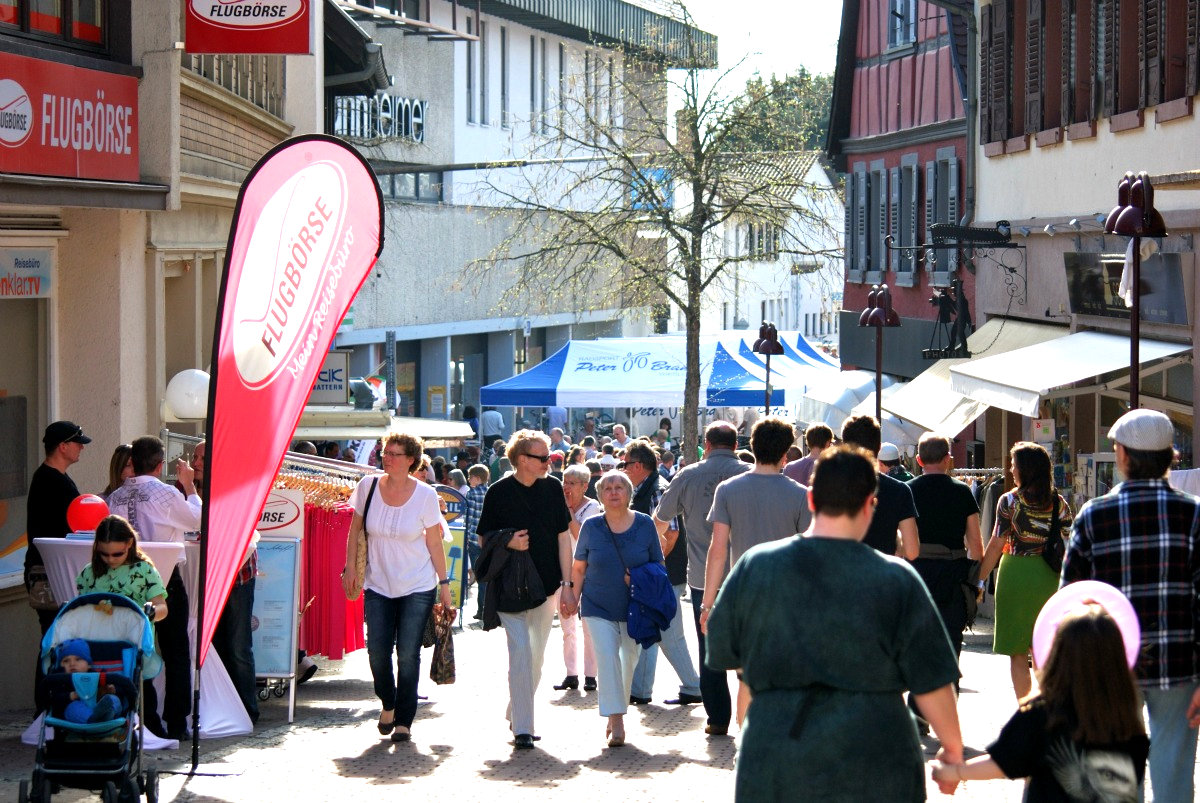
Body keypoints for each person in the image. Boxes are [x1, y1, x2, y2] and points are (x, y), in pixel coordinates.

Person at [705, 445, 964, 800]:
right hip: (876, 757)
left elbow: (724, 650)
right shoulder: (896, 579)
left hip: (777, 754)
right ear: (870, 505)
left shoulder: (756, 566)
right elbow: (932, 680)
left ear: (810, 499)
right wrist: (952, 749)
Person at [1064, 408, 1200, 802]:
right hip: (1180, 663)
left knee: (1116, 780)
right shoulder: (1193, 513)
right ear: (1169, 457)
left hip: (1110, 665)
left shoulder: (1093, 515)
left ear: (1122, 455)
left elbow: (1071, 598)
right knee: (1175, 775)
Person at [932, 604, 1148, 800]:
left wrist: (954, 772)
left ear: (1058, 656)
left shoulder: (1043, 714)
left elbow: (1003, 763)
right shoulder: (1127, 719)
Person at [340, 432, 455, 743]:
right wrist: (351, 567)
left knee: (407, 653)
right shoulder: (368, 486)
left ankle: (404, 719)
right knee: (377, 651)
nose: (385, 457)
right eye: (385, 451)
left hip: (417, 585)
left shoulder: (425, 495)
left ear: (410, 460)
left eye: (393, 453)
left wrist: (445, 588)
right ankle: (387, 702)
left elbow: (434, 542)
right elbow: (355, 530)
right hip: (377, 582)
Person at [700, 417, 811, 724]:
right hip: (788, 598)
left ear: (752, 446)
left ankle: (747, 744)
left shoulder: (728, 490)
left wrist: (708, 604)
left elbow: (718, 549)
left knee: (747, 677)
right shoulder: (800, 494)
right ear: (786, 453)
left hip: (743, 596)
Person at [475, 429, 575, 750]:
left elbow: (563, 538)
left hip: (546, 587)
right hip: (509, 586)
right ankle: (524, 729)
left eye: (549, 456)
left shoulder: (553, 488)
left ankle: (516, 710)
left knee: (537, 658)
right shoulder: (498, 492)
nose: (549, 462)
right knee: (520, 653)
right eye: (543, 457)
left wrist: (568, 585)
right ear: (522, 460)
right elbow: (483, 540)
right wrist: (509, 541)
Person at [651, 421, 750, 736]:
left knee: (710, 648)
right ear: (735, 444)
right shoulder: (752, 473)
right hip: (748, 573)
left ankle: (718, 719)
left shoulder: (688, 475)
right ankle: (750, 715)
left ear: (706, 444)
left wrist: (655, 556)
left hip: (702, 576)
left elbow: (660, 521)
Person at [106, 436, 200, 740]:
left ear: (133, 461)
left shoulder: (116, 496)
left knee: (137, 648)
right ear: (160, 465)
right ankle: (176, 723)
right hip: (164, 579)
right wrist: (191, 487)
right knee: (175, 651)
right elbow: (197, 520)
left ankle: (147, 721)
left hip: (127, 580)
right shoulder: (166, 493)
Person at [567, 470, 665, 747]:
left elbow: (658, 565)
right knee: (608, 656)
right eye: (608, 488)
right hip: (597, 605)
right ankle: (618, 718)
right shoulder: (592, 526)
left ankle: (614, 712)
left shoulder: (645, 524)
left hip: (635, 608)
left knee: (627, 662)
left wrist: (639, 577)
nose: (613, 492)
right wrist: (572, 596)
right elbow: (579, 566)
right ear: (600, 495)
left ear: (628, 493)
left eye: (619, 487)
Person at [978, 442, 1073, 701]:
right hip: (1048, 578)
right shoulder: (1060, 503)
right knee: (1043, 648)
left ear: (1025, 470)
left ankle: (1025, 710)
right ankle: (1045, 707)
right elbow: (1069, 545)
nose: (1010, 469)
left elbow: (996, 543)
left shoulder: (1009, 501)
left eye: (1014, 464)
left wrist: (979, 579)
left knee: (1017, 652)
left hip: (1015, 576)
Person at [75, 515, 169, 734]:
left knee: (142, 690)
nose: (110, 559)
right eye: (104, 554)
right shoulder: (89, 572)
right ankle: (103, 726)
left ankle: (149, 731)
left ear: (129, 544)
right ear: (96, 547)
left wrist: (150, 612)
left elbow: (162, 607)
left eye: (117, 553)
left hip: (133, 644)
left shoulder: (144, 570)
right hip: (99, 645)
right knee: (100, 687)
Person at [625, 441, 701, 708]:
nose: (624, 470)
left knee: (666, 632)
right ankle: (643, 690)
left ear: (637, 466)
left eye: (625, 465)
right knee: (654, 629)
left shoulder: (656, 489)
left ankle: (691, 686)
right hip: (661, 573)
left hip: (663, 574)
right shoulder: (648, 488)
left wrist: (653, 569)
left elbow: (670, 532)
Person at [189, 439, 261, 723]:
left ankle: (246, 710)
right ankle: (221, 709)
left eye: (201, 459)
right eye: (195, 458)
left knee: (238, 645)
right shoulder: (189, 490)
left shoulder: (235, 487)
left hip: (237, 574)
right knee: (213, 645)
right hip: (204, 576)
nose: (195, 463)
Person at [907, 433, 983, 667]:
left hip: (916, 576)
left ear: (919, 460)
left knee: (918, 653)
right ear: (948, 459)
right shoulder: (962, 492)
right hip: (953, 577)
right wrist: (976, 582)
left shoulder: (906, 490)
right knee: (950, 652)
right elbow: (976, 545)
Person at [25, 421, 90, 634]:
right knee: (54, 642)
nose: (81, 447)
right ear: (63, 446)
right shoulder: (50, 480)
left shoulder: (54, 478)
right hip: (48, 572)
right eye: (77, 442)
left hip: (53, 570)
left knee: (59, 639)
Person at [841, 416, 919, 560]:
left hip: (839, 577)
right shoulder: (899, 490)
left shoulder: (828, 487)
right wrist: (896, 538)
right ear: (879, 447)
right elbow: (912, 551)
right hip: (882, 576)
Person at [554, 464, 600, 692]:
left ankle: (590, 675)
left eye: (572, 483)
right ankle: (571, 674)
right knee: (567, 626)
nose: (566, 487)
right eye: (565, 482)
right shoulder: (557, 505)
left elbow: (579, 535)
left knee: (588, 627)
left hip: (586, 573)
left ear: (584, 485)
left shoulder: (593, 508)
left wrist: (568, 511)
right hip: (563, 573)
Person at [49, 639, 137, 725]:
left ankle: (103, 715)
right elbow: (53, 698)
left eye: (78, 659)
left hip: (102, 706)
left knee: (113, 699)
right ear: (61, 665)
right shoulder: (60, 680)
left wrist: (112, 690)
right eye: (66, 661)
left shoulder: (98, 676)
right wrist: (71, 695)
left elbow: (121, 689)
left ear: (88, 664)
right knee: (72, 708)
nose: (72, 664)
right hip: (81, 714)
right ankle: (94, 719)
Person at [463, 464, 490, 621]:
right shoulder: (490, 492)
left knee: (480, 576)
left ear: (477, 478)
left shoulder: (471, 494)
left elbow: (470, 518)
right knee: (488, 575)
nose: (468, 479)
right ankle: (489, 609)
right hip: (489, 540)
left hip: (474, 539)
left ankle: (481, 609)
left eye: (470, 476)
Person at [782, 422, 831, 487]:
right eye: (831, 442)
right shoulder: (831, 468)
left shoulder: (789, 468)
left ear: (807, 441)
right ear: (827, 443)